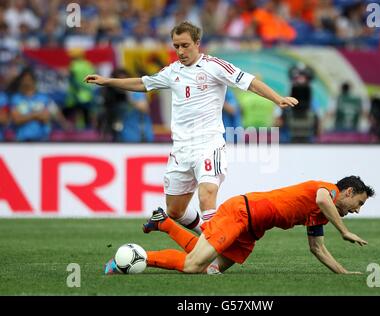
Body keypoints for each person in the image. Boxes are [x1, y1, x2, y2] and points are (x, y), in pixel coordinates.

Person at [85, 21, 298, 235]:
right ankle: (208, 240)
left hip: (208, 143)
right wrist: (107, 81)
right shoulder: (172, 71)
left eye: (185, 45)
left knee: (206, 195)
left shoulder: (215, 66)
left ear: (197, 43)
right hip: (181, 149)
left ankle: (214, 253)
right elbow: (143, 84)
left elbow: (250, 82)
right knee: (175, 211)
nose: (180, 51)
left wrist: (278, 99)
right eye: (176, 46)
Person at [104, 175, 375, 275]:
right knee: (193, 266)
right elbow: (322, 199)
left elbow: (317, 248)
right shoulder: (327, 190)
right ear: (348, 192)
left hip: (252, 230)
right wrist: (345, 231)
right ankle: (135, 260)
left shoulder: (320, 215)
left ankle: (164, 223)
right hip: (242, 213)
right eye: (359, 203)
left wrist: (342, 272)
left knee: (209, 266)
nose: (357, 210)